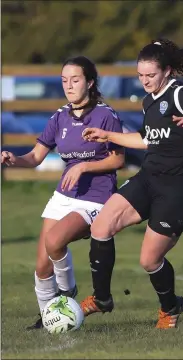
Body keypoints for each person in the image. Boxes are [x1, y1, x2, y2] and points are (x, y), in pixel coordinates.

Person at [80, 39, 183, 329]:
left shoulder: (180, 94)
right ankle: (101, 298)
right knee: (101, 226)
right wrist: (108, 135)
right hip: (148, 177)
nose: (145, 81)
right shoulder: (149, 101)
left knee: (148, 260)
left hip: (178, 189)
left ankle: (170, 307)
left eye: (151, 75)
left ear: (166, 71)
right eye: (140, 75)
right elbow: (146, 140)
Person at [1, 56, 124, 330]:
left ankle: (68, 297)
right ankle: (48, 318)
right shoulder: (59, 116)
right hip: (63, 195)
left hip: (96, 197)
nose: (69, 85)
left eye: (75, 79)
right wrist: (14, 159)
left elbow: (118, 160)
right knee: (42, 267)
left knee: (55, 241)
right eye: (64, 80)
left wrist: (83, 168)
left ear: (90, 82)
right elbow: (35, 157)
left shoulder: (106, 115)